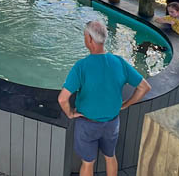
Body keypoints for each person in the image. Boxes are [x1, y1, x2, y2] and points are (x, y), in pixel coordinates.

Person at [58, 21, 151, 176]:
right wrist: (126, 104)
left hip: (87, 124)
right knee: (110, 156)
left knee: (88, 163)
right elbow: (144, 87)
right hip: (112, 122)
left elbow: (62, 99)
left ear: (89, 39)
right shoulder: (119, 62)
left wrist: (70, 113)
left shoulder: (81, 66)